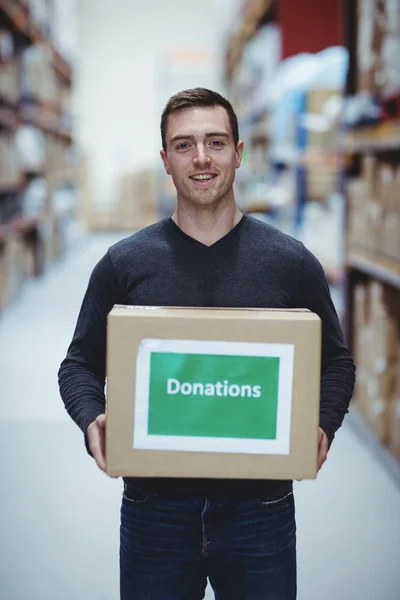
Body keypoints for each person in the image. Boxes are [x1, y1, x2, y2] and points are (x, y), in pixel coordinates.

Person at [58, 87, 355, 600]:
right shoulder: (124, 264)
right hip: (156, 510)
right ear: (166, 162)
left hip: (260, 511)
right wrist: (92, 419)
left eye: (216, 143)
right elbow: (79, 364)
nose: (201, 158)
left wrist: (324, 423)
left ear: (239, 154)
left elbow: (337, 362)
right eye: (183, 145)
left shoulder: (290, 263)